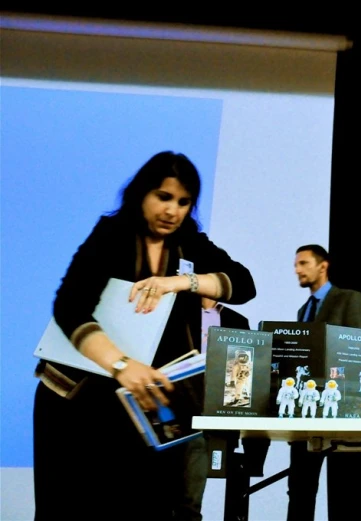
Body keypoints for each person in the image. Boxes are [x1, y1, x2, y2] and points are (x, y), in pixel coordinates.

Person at [33, 151, 256, 521]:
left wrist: (180, 282)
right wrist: (122, 365)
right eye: (164, 197)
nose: (173, 211)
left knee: (145, 505)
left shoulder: (189, 243)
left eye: (184, 202)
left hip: (142, 405)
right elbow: (69, 308)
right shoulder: (112, 235)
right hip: (76, 401)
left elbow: (243, 284)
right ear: (141, 194)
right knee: (71, 508)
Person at [286, 244, 361, 521]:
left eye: (303, 263)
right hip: (307, 409)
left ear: (323, 266)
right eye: (296, 264)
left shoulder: (348, 298)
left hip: (341, 406)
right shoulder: (304, 310)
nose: (297, 269)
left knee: (347, 486)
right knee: (299, 486)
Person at [178, 297, 251, 521]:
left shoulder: (237, 321)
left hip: (220, 412)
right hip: (180, 404)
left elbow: (244, 373)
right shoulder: (177, 314)